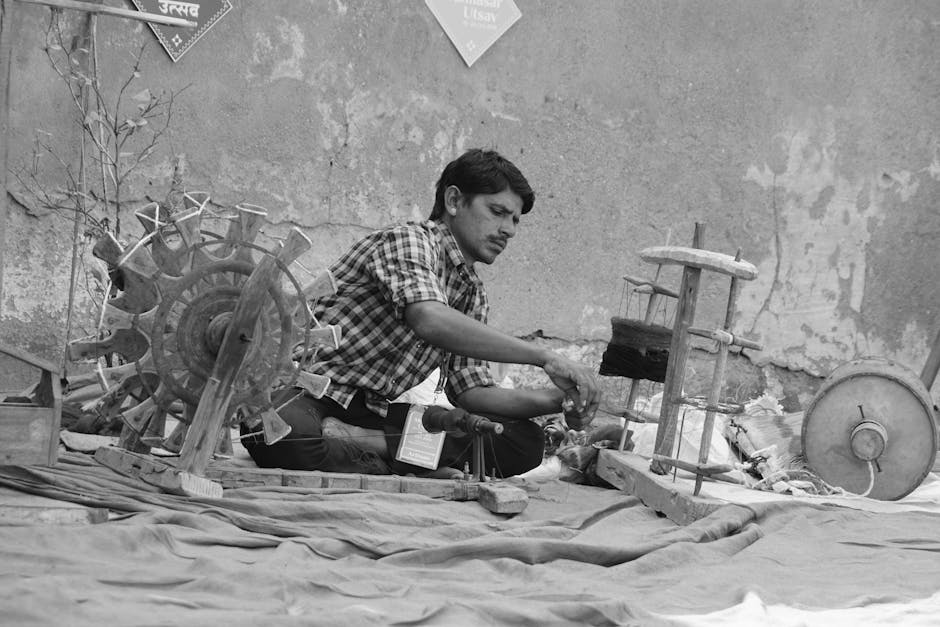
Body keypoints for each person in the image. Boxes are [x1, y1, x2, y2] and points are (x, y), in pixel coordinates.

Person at [242, 148, 601, 478]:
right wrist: (544, 357)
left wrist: (562, 399)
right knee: (280, 435)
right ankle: (411, 460)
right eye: (498, 212)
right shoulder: (410, 241)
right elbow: (429, 320)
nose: (508, 229)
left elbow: (473, 392)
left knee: (523, 441)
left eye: (516, 221)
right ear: (454, 200)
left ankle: (370, 445)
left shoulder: (472, 293)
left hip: (370, 415)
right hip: (307, 391)